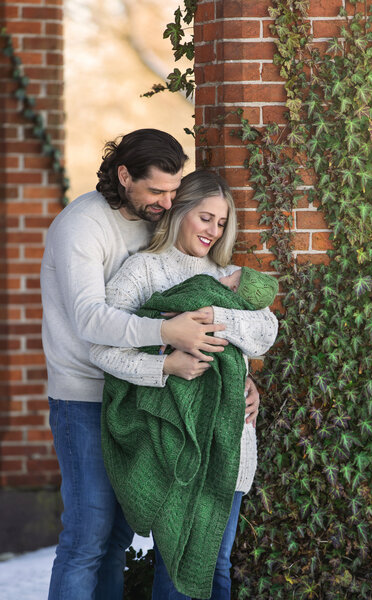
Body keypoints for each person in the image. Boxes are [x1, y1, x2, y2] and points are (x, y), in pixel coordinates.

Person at [40, 129, 261, 600]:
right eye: (157, 191)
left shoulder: (152, 218)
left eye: (173, 191)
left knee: (119, 538)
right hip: (86, 395)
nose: (166, 201)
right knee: (88, 539)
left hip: (139, 399)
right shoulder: (82, 226)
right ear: (124, 176)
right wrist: (167, 335)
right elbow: (91, 319)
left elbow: (190, 274)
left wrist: (240, 377)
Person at [89, 170, 279, 599]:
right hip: (172, 443)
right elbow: (101, 349)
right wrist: (165, 368)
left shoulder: (232, 277)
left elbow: (265, 332)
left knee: (218, 566)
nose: (214, 231)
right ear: (179, 211)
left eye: (222, 222)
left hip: (231, 440)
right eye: (205, 218)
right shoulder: (144, 270)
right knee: (177, 572)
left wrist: (212, 314)